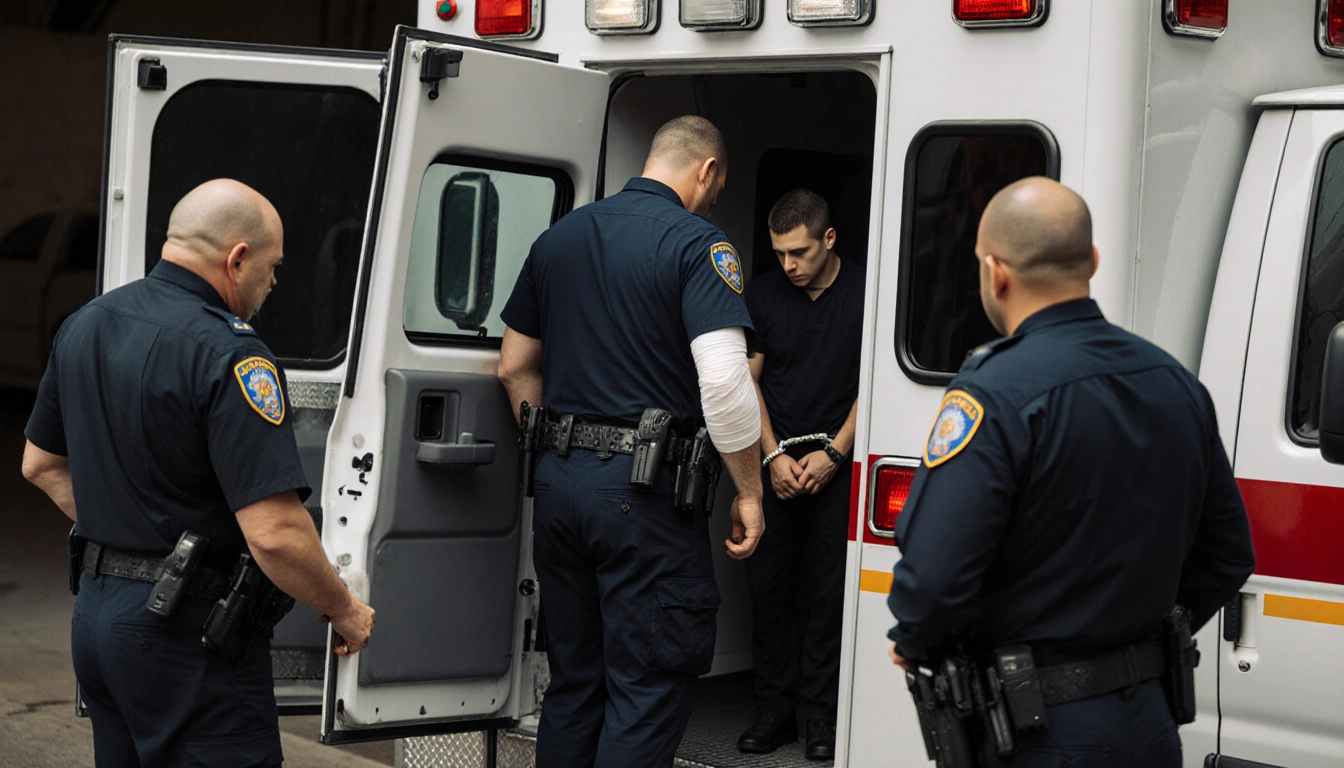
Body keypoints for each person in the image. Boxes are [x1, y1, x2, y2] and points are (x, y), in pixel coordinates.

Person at [884, 176, 1256, 767]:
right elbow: (1229, 554)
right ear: (1094, 262)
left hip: (1040, 731)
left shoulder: (995, 393)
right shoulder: (1175, 383)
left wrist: (915, 639)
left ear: (995, 273)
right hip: (1151, 728)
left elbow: (935, 580)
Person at [21, 179, 375, 768]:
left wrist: (132, 530)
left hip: (98, 622)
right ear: (237, 259)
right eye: (272, 266)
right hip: (185, 636)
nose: (274, 282)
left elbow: (40, 463)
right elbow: (274, 533)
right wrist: (342, 607)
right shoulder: (232, 354)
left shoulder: (85, 323)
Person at [498, 115, 765, 768]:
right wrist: (750, 491)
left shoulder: (560, 237)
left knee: (574, 684)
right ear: (706, 171)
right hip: (644, 502)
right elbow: (727, 384)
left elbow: (513, 365)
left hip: (559, 494)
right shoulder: (699, 244)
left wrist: (561, 444)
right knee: (645, 691)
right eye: (717, 186)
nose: (713, 199)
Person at [736, 189, 863, 761]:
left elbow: (876, 382)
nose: (789, 265)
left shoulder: (867, 291)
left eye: (800, 252)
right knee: (770, 592)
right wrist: (770, 458)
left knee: (828, 594)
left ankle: (820, 717)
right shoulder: (762, 294)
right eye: (780, 252)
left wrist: (837, 453)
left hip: (837, 465)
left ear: (828, 239)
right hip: (778, 466)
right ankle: (775, 710)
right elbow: (748, 382)